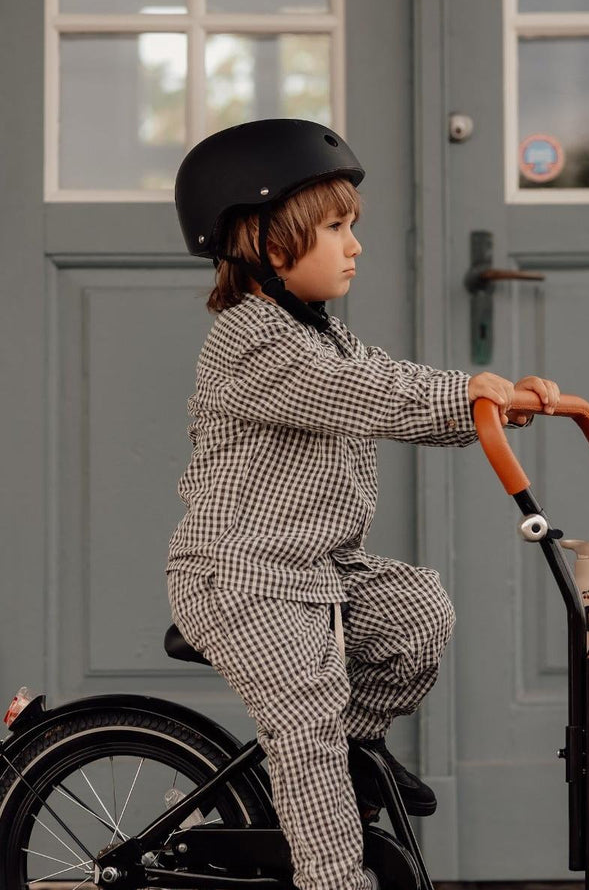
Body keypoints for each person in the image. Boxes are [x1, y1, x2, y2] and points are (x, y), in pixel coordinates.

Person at [166, 118, 559, 890]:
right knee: (306, 721)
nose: (355, 245)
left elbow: (392, 377)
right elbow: (370, 397)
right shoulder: (252, 342)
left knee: (418, 613)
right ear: (268, 244)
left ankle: (344, 763)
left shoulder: (323, 337)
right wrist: (462, 396)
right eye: (336, 228)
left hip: (318, 569)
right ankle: (334, 868)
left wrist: (496, 399)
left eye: (354, 227)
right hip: (240, 576)